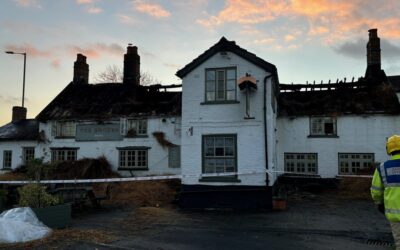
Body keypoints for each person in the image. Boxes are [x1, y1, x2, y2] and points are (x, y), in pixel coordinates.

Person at [371, 135, 400, 249]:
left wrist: (379, 203)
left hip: (394, 215)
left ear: (388, 149)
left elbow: (376, 191)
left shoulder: (382, 168)